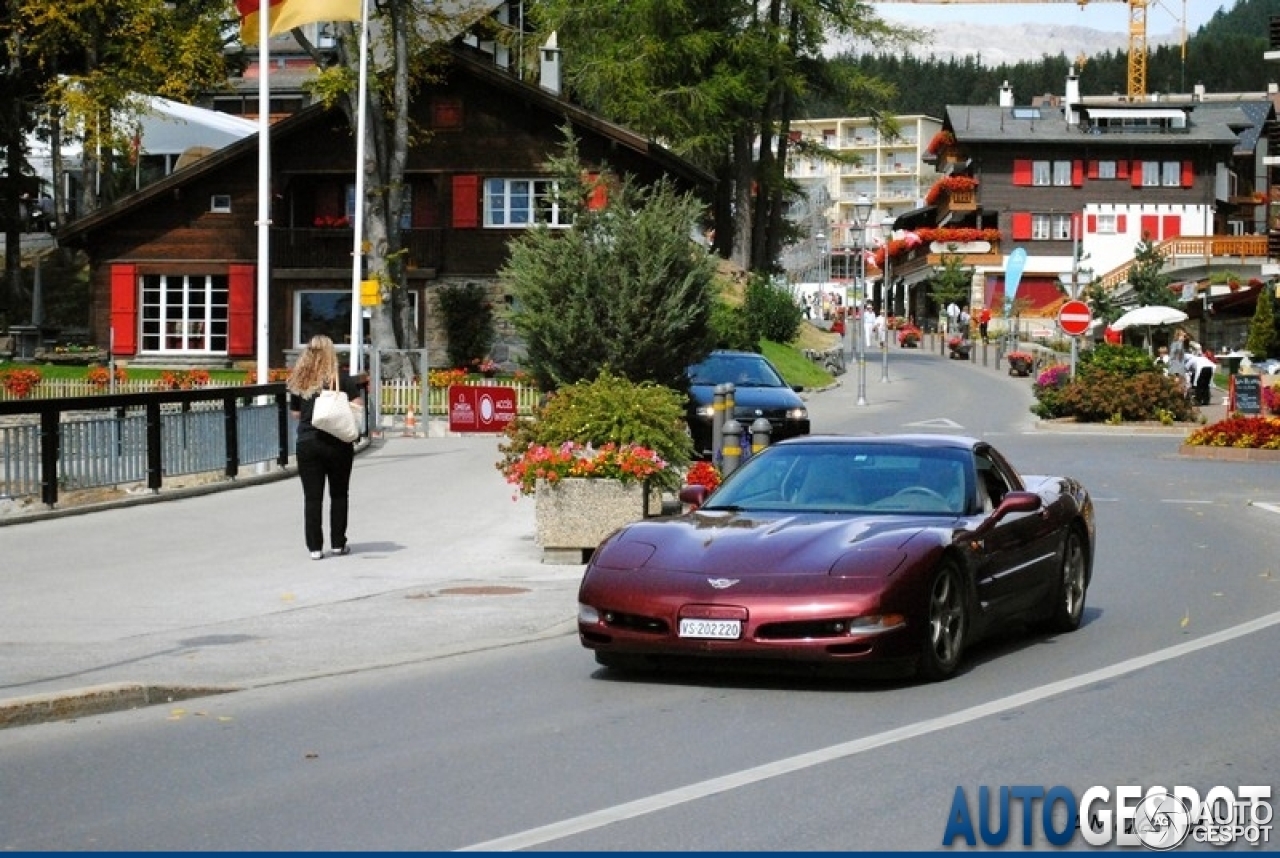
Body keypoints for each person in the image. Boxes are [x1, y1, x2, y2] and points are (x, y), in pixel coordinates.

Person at [287, 334, 365, 560]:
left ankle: (315, 548)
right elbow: (357, 407)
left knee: (312, 497)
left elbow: (296, 414)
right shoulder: (342, 380)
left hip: (308, 443)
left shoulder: (299, 382)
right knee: (339, 493)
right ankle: (338, 543)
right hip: (338, 442)